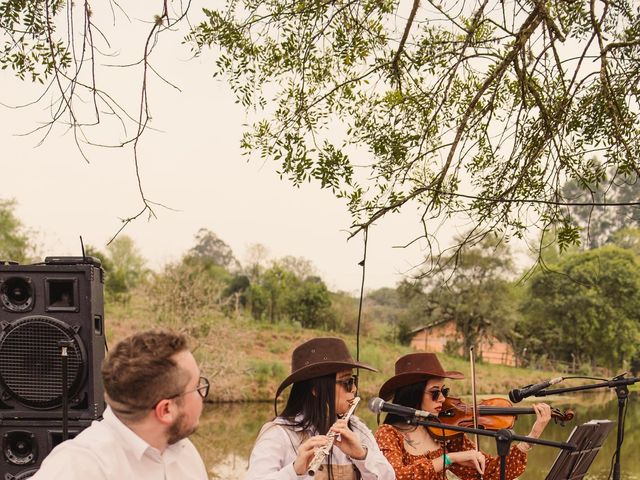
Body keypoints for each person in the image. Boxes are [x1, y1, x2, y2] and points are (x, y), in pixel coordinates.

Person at [31, 329, 209, 479]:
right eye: (197, 387)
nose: (203, 395)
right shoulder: (78, 467)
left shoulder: (184, 451)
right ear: (166, 410)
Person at [374, 352, 552, 480]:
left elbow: (492, 472)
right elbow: (395, 476)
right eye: (435, 393)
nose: (442, 399)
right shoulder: (389, 433)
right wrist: (449, 459)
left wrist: (531, 437)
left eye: (444, 391)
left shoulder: (445, 430)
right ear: (412, 394)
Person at [245, 336, 396, 480]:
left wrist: (362, 456)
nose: (354, 389)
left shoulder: (356, 430)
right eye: (347, 382)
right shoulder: (279, 434)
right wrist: (295, 471)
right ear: (316, 390)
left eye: (354, 380)